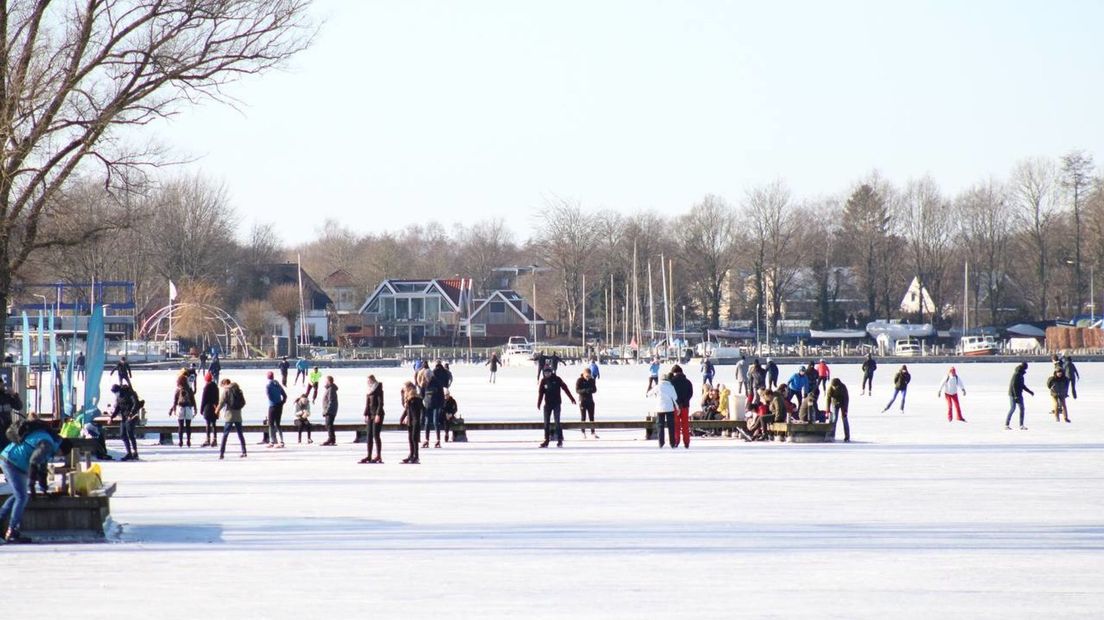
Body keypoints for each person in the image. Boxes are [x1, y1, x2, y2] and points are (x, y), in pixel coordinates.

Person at [0, 422, 73, 543]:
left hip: (13, 461)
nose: (59, 456)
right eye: (61, 454)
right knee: (22, 497)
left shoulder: (49, 441)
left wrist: (44, 488)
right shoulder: (48, 444)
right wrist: (32, 484)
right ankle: (12, 532)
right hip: (11, 461)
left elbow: (41, 465)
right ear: (61, 448)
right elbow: (34, 461)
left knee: (18, 495)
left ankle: (3, 521)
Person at [537, 367, 575, 448]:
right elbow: (541, 393)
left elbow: (565, 388)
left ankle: (560, 440)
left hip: (556, 404)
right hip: (547, 404)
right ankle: (546, 440)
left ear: (551, 372)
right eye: (545, 373)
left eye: (548, 373)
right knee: (546, 423)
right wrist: (539, 403)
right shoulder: (543, 381)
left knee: (557, 422)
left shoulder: (557, 379)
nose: (546, 374)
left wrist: (571, 398)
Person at [109, 383, 141, 460]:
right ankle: (129, 453)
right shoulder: (119, 397)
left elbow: (135, 403)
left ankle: (135, 452)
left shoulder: (129, 393)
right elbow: (117, 408)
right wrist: (111, 417)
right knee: (122, 434)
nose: (115, 394)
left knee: (130, 434)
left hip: (132, 417)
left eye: (115, 392)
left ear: (119, 390)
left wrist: (131, 413)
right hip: (124, 417)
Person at [217, 379, 247, 459]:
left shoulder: (226, 391)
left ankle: (221, 453)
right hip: (238, 415)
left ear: (225, 384)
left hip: (229, 415)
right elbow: (243, 402)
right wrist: (238, 408)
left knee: (225, 435)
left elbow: (221, 402)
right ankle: (244, 451)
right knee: (240, 434)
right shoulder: (238, 390)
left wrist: (216, 411)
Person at [648, 372, 678, 448]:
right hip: (669, 408)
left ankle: (661, 443)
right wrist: (677, 408)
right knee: (671, 426)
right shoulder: (671, 386)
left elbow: (649, 394)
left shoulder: (658, 386)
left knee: (660, 426)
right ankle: (672, 443)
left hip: (660, 408)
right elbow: (675, 397)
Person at [360, 375, 384, 463]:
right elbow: (367, 404)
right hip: (370, 414)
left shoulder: (378, 389)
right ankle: (369, 455)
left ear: (373, 380)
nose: (368, 382)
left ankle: (378, 455)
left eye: (369, 381)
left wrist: (378, 414)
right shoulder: (369, 390)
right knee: (369, 435)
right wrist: (366, 414)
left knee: (376, 435)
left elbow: (381, 403)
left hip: (378, 414)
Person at [168, 373, 197, 448]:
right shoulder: (189, 389)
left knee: (180, 426)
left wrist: (173, 409)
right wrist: (195, 408)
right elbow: (193, 400)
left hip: (180, 408)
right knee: (188, 426)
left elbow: (175, 401)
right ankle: (188, 441)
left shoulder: (178, 389)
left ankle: (180, 441)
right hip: (188, 408)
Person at [668, 364, 693, 449]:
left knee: (676, 425)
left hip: (675, 406)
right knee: (685, 425)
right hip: (685, 406)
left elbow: (670, 394)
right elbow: (690, 393)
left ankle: (676, 441)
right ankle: (686, 442)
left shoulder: (672, 382)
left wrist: (677, 403)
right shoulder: (688, 381)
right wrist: (685, 401)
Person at [422, 368, 446, 449]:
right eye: (425, 376)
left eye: (427, 376)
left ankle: (438, 439)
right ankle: (426, 439)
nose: (426, 377)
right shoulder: (424, 383)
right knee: (427, 422)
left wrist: (441, 405)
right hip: (427, 405)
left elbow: (442, 395)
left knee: (436, 422)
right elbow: (422, 394)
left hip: (436, 405)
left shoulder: (437, 382)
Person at [1006, 363, 1034, 430]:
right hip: (1013, 394)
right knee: (1013, 408)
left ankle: (1021, 425)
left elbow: (1022, 385)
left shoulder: (1020, 374)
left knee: (1022, 409)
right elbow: (1013, 385)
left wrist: (1030, 391)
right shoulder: (1017, 374)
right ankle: (1006, 425)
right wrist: (1015, 396)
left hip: (1018, 394)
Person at [399, 381, 423, 464]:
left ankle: (416, 456)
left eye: (405, 388)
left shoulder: (415, 398)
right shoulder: (409, 398)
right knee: (410, 438)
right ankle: (411, 455)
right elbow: (406, 409)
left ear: (409, 388)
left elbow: (421, 410)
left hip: (415, 421)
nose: (404, 389)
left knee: (414, 439)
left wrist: (418, 420)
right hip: (410, 421)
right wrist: (402, 418)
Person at [0, 380, 25, 453]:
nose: (2, 386)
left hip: (7, 427)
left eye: (2, 384)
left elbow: (19, 406)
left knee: (7, 448)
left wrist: (14, 395)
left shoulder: (7, 396)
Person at [265, 371, 288, 449]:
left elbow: (269, 396)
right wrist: (282, 402)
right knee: (278, 423)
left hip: (272, 406)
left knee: (271, 424)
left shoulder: (268, 385)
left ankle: (272, 441)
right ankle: (281, 441)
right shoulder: (277, 384)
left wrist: (273, 402)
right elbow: (285, 395)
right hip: (279, 406)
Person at [576, 367, 598, 438]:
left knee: (591, 417)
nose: (588, 377)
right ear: (584, 374)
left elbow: (594, 389)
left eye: (589, 376)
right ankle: (583, 432)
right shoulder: (580, 380)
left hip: (590, 401)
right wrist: (585, 390)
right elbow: (577, 390)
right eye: (587, 376)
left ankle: (593, 432)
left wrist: (590, 390)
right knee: (583, 417)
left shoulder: (592, 380)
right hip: (582, 400)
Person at [826, 378, 850, 442]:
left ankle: (847, 437)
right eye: (833, 386)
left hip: (842, 404)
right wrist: (827, 409)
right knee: (834, 420)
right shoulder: (830, 388)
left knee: (844, 419)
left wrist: (845, 410)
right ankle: (832, 436)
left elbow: (846, 399)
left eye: (835, 386)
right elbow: (828, 399)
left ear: (838, 385)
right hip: (834, 403)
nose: (834, 387)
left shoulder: (843, 387)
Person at [199, 372, 220, 447]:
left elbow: (204, 399)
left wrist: (201, 409)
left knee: (208, 424)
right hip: (214, 407)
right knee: (214, 424)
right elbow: (217, 398)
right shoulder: (216, 387)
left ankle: (208, 439)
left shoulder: (206, 387)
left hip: (207, 408)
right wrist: (217, 408)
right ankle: (215, 439)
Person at [320, 376, 339, 445]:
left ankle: (331, 439)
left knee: (329, 424)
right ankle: (331, 439)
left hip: (330, 410)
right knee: (328, 425)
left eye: (326, 381)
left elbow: (331, 401)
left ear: (329, 381)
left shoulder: (331, 389)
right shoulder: (329, 389)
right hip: (329, 410)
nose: (325, 382)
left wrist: (327, 410)